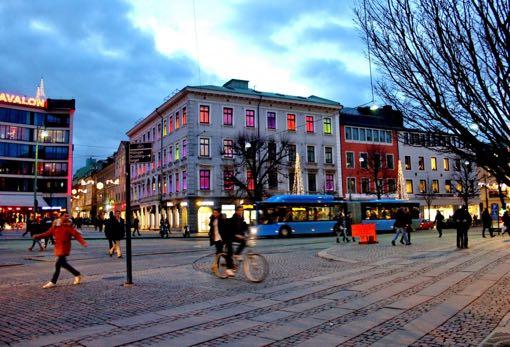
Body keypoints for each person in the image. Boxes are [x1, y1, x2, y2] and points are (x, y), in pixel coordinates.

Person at [33, 214, 88, 288]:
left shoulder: (69, 226)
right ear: (61, 217)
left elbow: (76, 235)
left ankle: (53, 281)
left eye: (68, 216)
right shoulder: (56, 225)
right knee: (64, 264)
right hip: (58, 247)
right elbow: (48, 233)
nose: (67, 217)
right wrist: (38, 236)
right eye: (65, 216)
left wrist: (83, 242)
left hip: (64, 248)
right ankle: (77, 274)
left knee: (58, 264)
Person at [225, 206, 248, 277]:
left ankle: (237, 254)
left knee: (244, 241)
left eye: (242, 211)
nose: (241, 212)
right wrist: (237, 235)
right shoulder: (234, 219)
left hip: (234, 236)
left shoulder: (241, 219)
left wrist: (247, 234)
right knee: (230, 251)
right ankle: (228, 269)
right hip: (227, 236)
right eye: (240, 210)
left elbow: (243, 228)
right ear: (236, 211)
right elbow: (232, 230)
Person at [209, 208, 227, 273]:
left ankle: (216, 266)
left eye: (216, 213)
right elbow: (211, 227)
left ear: (219, 213)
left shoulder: (222, 219)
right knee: (218, 252)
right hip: (215, 238)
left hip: (220, 239)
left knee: (219, 252)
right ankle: (217, 265)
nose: (214, 214)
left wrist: (224, 239)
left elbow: (224, 229)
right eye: (214, 213)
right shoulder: (213, 219)